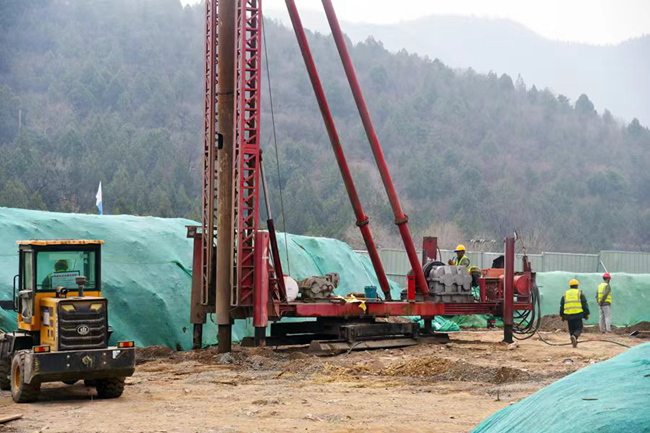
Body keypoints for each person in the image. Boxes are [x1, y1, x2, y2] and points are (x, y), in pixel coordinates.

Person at [560, 279, 590, 347]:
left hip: (568, 315)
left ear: (570, 286)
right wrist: (587, 313)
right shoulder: (579, 293)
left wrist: (561, 315)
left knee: (571, 329)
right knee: (579, 328)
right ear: (577, 286)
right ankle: (575, 336)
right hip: (577, 314)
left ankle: (574, 341)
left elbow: (562, 305)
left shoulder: (565, 293)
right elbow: (584, 304)